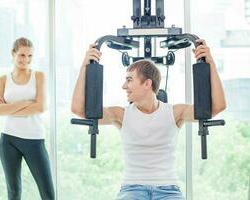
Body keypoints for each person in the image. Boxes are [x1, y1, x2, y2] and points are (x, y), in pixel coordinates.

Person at [71, 40, 226, 200]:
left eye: (129, 79)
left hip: (169, 191)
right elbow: (78, 109)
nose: (124, 86)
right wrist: (85, 65)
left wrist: (210, 63)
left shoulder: (174, 113)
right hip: (132, 190)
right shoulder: (121, 115)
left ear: (147, 83)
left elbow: (217, 106)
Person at [0, 37, 55, 200]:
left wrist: (9, 108)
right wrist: (26, 103)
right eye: (21, 55)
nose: (26, 60)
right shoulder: (3, 80)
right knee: (13, 192)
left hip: (34, 139)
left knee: (48, 193)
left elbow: (41, 107)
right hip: (8, 140)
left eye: (30, 56)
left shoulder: (38, 76)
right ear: (13, 54)